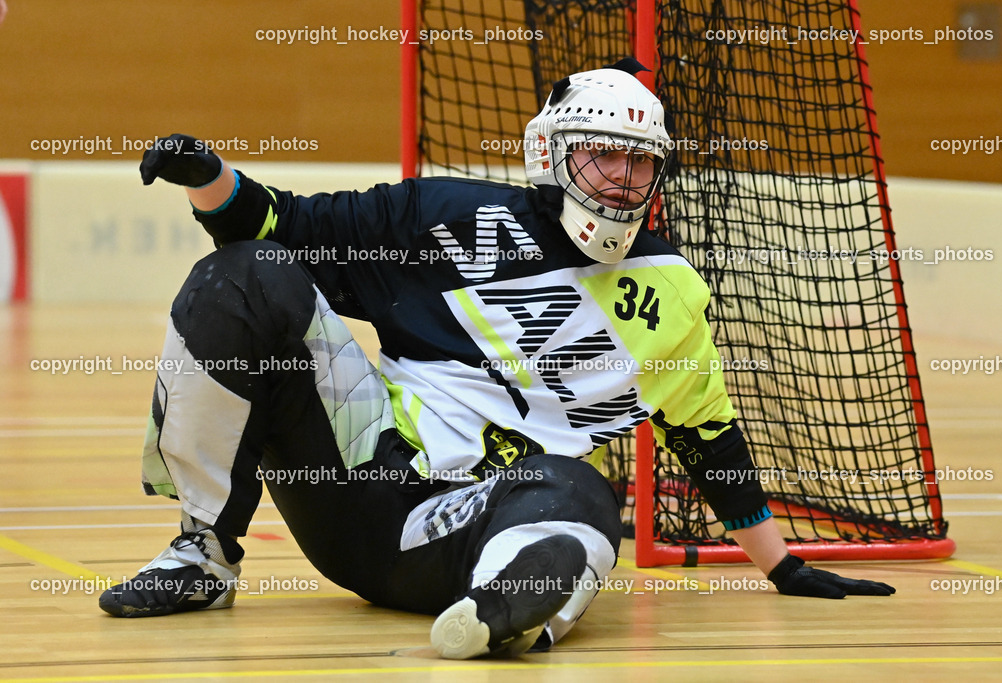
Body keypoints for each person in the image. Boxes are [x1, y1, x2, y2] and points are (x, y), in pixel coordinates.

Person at [98, 59, 894, 659]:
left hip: (488, 523)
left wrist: (782, 567)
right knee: (243, 274)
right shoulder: (442, 216)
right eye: (603, 155)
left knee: (586, 490)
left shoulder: (674, 291)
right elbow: (288, 226)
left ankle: (496, 612)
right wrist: (209, 180)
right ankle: (203, 553)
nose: (624, 180)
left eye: (641, 161)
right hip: (361, 484)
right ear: (553, 152)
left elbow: (707, 437)